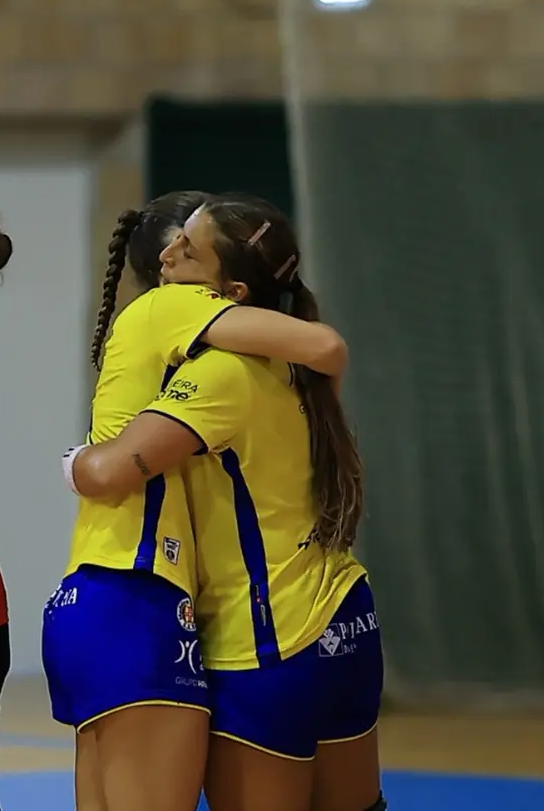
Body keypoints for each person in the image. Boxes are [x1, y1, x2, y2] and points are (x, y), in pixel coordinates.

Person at [66, 197, 384, 811]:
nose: (169, 257)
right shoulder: (297, 371)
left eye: (189, 250)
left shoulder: (219, 377)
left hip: (267, 638)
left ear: (228, 292)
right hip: (349, 616)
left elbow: (111, 470)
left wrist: (72, 461)